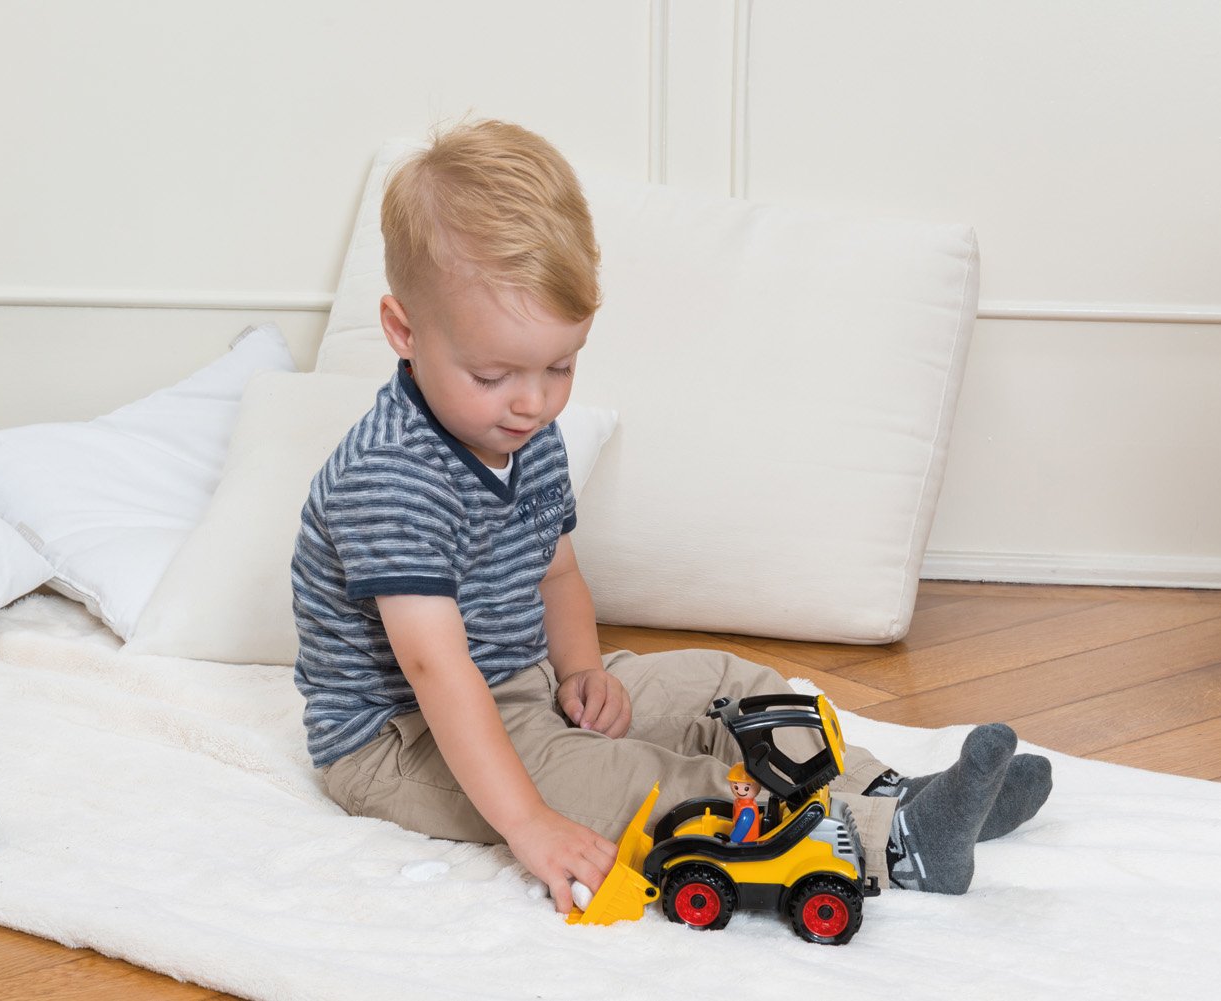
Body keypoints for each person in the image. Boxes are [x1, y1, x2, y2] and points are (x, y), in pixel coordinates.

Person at [291, 119, 1053, 914]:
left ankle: (889, 792)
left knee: (734, 688)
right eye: (493, 375)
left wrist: (582, 672)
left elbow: (557, 573)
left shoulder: (524, 432)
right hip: (406, 736)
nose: (533, 401)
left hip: (522, 681)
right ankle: (889, 843)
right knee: (644, 783)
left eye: (560, 366)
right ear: (404, 331)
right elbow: (438, 672)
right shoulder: (392, 476)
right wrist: (529, 822)